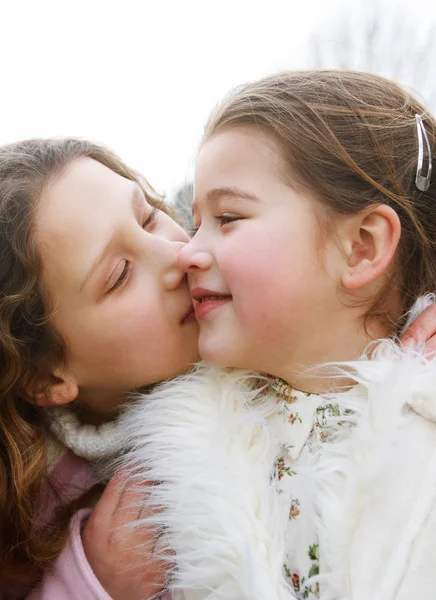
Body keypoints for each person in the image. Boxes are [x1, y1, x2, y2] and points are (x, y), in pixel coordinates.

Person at [123, 71, 436, 600]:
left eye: (228, 217)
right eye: (194, 222)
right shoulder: (166, 450)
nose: (187, 252)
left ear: (361, 246)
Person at [0, 138, 199, 600]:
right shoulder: (21, 515)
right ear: (47, 378)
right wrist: (94, 584)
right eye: (121, 275)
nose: (176, 254)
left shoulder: (268, 313)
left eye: (148, 214)